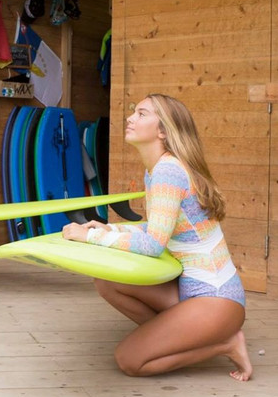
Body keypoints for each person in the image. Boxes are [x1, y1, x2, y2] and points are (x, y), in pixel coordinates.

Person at [62, 94, 252, 381]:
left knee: (129, 360)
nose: (130, 118)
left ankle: (224, 344)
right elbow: (157, 228)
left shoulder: (167, 171)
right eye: (133, 113)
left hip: (216, 299)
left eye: (141, 114)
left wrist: (89, 238)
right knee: (107, 280)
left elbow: (152, 245)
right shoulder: (157, 170)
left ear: (163, 131)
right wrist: (104, 229)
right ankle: (174, 336)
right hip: (191, 291)